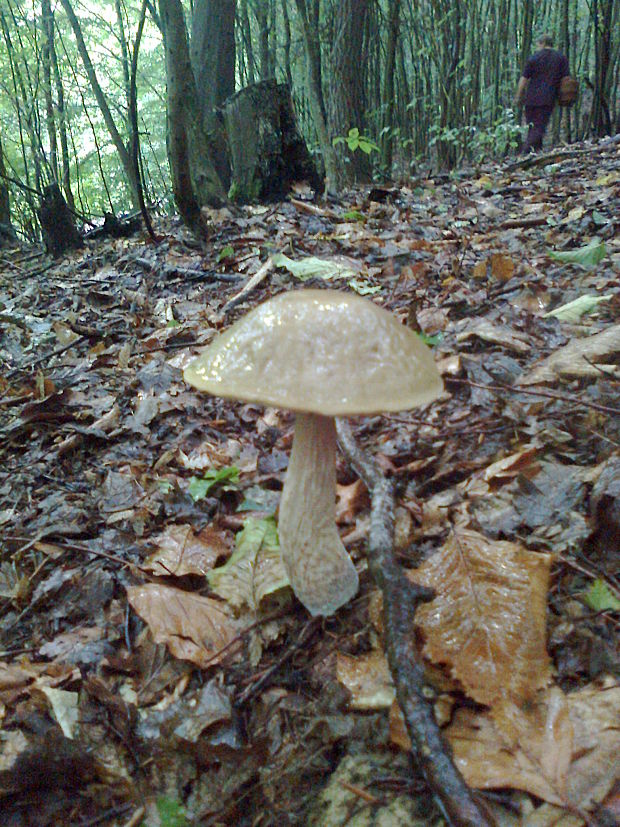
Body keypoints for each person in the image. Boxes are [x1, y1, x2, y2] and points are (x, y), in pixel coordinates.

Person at [515, 34, 569, 153]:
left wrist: (518, 96)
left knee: (533, 127)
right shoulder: (561, 58)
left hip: (531, 99)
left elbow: (523, 79)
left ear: (542, 43)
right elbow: (566, 80)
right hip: (548, 98)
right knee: (539, 127)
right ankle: (530, 153)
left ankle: (529, 153)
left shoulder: (533, 58)